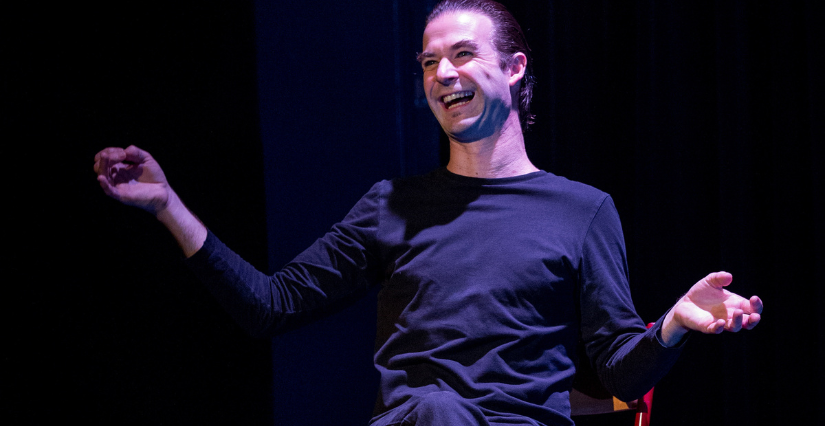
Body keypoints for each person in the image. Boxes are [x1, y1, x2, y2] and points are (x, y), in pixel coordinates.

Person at [94, 1, 763, 425]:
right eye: (427, 62)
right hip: (416, 422)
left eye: (463, 54)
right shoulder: (392, 206)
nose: (442, 73)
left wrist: (674, 323)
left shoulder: (580, 210)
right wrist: (166, 206)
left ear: (515, 68)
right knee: (436, 411)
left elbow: (619, 371)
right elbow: (271, 305)